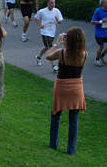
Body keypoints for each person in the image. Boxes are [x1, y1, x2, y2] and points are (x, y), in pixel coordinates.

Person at [46, 27, 87, 155]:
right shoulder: (84, 54)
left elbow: (48, 57)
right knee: (73, 119)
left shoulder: (61, 53)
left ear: (68, 40)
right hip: (76, 88)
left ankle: (53, 144)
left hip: (62, 87)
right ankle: (71, 149)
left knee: (56, 116)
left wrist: (57, 43)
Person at [35, 0, 63, 72]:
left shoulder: (56, 11)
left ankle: (38, 57)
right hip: (44, 32)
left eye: (54, 3)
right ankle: (53, 65)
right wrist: (40, 25)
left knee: (47, 47)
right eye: (51, 3)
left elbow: (60, 21)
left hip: (52, 32)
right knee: (50, 47)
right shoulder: (42, 11)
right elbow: (36, 18)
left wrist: (58, 20)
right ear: (47, 3)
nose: (53, 4)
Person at [91, 0, 107, 66]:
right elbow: (92, 22)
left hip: (106, 32)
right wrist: (101, 21)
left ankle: (102, 55)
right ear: (103, 4)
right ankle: (97, 60)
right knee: (101, 47)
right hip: (99, 33)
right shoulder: (98, 11)